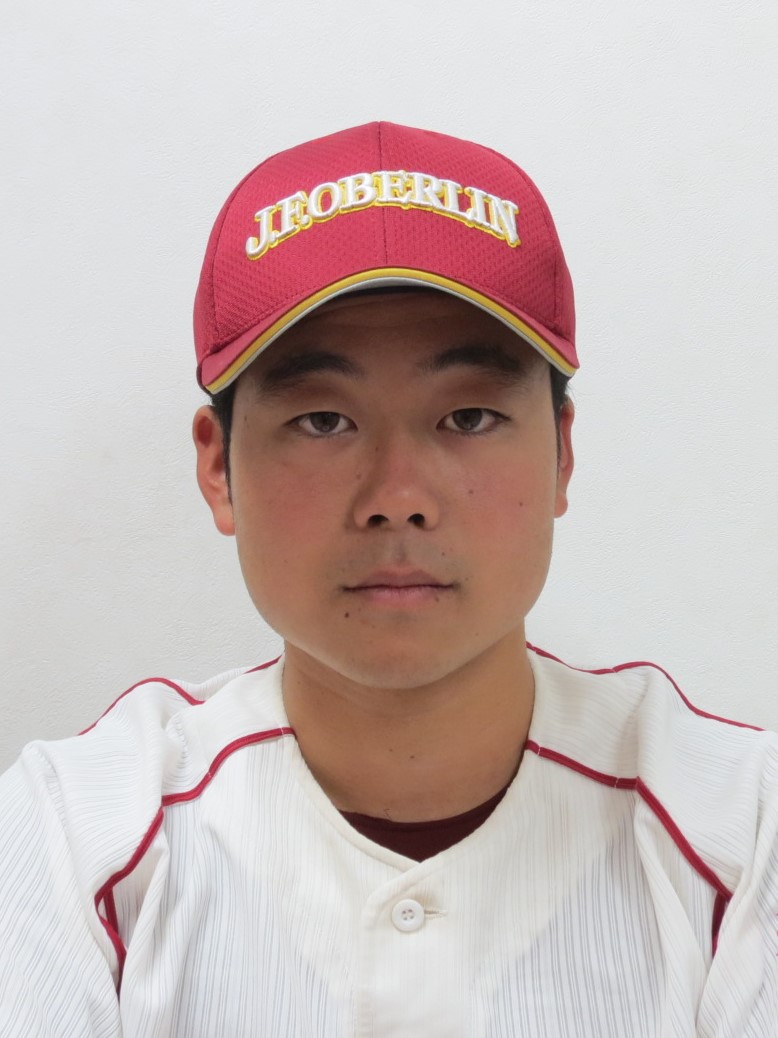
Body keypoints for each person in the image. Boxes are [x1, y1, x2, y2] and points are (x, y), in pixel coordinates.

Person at [0, 121, 776, 1037]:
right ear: (218, 468)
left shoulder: (743, 825)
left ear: (563, 454)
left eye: (469, 416)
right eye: (324, 421)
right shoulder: (74, 835)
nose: (397, 499)